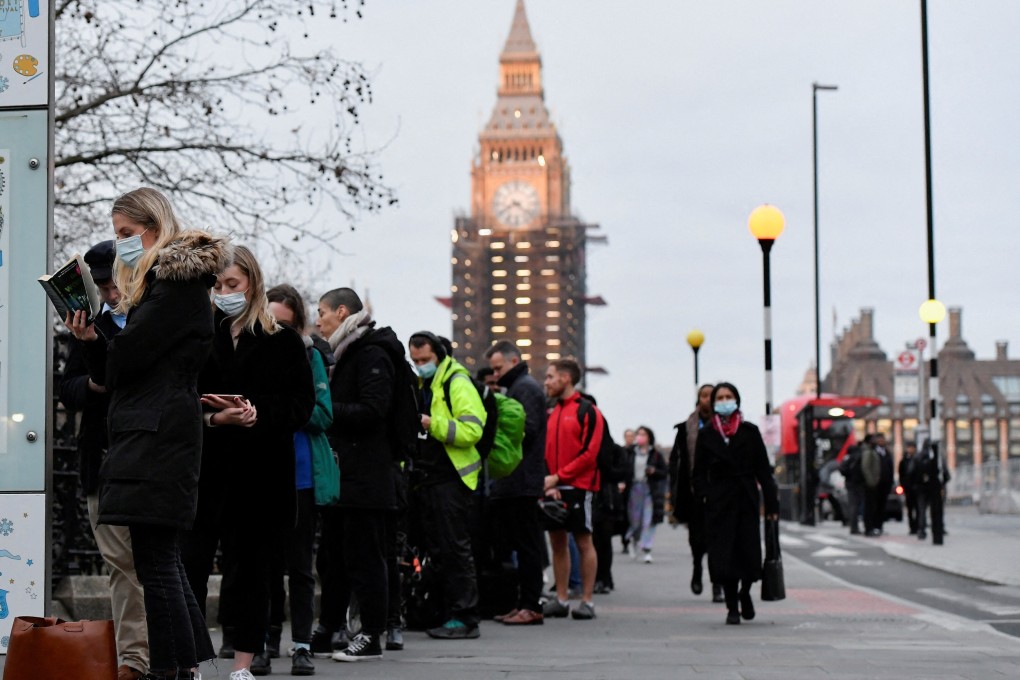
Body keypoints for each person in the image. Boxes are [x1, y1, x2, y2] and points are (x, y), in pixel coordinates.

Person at [68, 187, 229, 679]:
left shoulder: (173, 286)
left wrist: (98, 340)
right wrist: (97, 344)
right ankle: (184, 667)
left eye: (127, 234)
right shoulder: (173, 287)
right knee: (163, 562)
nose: (121, 245)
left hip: (155, 435)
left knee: (157, 566)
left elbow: (127, 360)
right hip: (156, 432)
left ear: (155, 230)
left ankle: (170, 670)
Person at [185, 246, 314, 680]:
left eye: (232, 285)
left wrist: (258, 412)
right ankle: (193, 661)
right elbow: (183, 397)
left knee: (255, 572)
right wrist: (214, 416)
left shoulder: (284, 340)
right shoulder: (200, 336)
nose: (223, 293)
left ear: (253, 284)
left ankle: (244, 663)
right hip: (207, 472)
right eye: (217, 285)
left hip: (262, 475)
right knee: (192, 568)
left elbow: (301, 405)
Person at [60, 240, 150, 680]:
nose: (110, 296)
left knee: (156, 564)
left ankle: (156, 653)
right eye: (102, 288)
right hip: (102, 456)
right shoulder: (87, 325)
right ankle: (133, 657)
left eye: (114, 286)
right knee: (119, 563)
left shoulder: (151, 320)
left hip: (148, 458)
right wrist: (94, 383)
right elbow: (70, 387)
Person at [244, 283, 335, 676]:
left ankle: (301, 644)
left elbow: (322, 413)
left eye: (285, 324)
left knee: (299, 566)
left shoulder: (309, 355)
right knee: (264, 566)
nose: (277, 331)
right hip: (262, 470)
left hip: (299, 473)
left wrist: (281, 411)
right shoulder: (250, 352)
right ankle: (264, 642)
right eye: (271, 322)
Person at [317, 287, 403, 661]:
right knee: (332, 557)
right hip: (345, 475)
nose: (317, 320)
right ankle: (328, 628)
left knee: (366, 558)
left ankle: (371, 634)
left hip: (367, 477)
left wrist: (323, 408)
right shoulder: (344, 352)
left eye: (321, 312)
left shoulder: (370, 353)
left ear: (340, 312)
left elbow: (373, 409)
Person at [408, 331, 486, 639]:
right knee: (440, 550)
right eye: (415, 361)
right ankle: (445, 613)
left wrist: (432, 424)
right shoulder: (428, 383)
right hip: (432, 478)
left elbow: (473, 429)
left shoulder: (457, 382)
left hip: (453, 479)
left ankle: (465, 618)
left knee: (455, 550)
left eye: (425, 360)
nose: (420, 365)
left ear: (439, 355)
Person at [692, 382, 779, 626]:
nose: (724, 400)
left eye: (729, 396)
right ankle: (732, 605)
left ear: (737, 399)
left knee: (748, 552)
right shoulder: (707, 433)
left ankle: (745, 592)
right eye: (720, 397)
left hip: (746, 499)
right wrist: (705, 497)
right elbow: (698, 472)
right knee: (724, 555)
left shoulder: (750, 432)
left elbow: (763, 470)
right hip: (719, 503)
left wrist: (772, 505)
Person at [485, 340, 548, 626]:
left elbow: (528, 431)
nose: (495, 374)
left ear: (513, 361)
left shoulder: (525, 388)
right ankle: (521, 603)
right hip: (515, 480)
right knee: (519, 544)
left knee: (527, 545)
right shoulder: (518, 386)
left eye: (498, 368)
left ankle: (531, 605)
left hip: (521, 479)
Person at [541, 358, 603, 621]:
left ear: (565, 378)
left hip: (579, 485)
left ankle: (587, 601)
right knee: (557, 542)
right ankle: (562, 598)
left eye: (550, 376)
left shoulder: (588, 411)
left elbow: (590, 454)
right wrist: (549, 481)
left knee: (583, 541)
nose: (546, 382)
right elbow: (544, 451)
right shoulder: (552, 411)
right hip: (554, 485)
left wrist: (558, 477)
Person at [671, 384, 724, 602]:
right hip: (693, 493)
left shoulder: (724, 427)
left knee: (717, 540)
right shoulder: (686, 428)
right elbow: (676, 462)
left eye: (711, 396)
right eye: (703, 395)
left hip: (718, 493)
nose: (707, 399)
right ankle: (696, 569)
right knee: (697, 539)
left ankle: (717, 585)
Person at [623, 426, 667, 564]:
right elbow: (622, 469)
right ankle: (634, 540)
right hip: (633, 489)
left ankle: (647, 548)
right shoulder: (630, 453)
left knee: (648, 520)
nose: (640, 437)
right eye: (639, 434)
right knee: (636, 520)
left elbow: (664, 472)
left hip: (649, 489)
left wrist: (654, 471)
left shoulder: (655, 454)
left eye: (644, 434)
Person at [914, 439, 949, 544]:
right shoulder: (937, 458)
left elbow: (914, 473)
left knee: (922, 510)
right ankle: (938, 528)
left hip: (923, 489)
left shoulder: (919, 457)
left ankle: (922, 530)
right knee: (937, 509)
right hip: (932, 488)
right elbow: (945, 473)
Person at [861, 432, 894, 536]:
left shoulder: (887, 452)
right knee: (871, 507)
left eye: (882, 439)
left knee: (881, 507)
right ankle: (870, 527)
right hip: (874, 485)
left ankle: (879, 526)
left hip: (885, 484)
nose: (881, 441)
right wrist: (872, 481)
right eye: (879, 440)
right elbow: (866, 467)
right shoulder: (871, 451)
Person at [838, 438, 867, 535]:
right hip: (858, 484)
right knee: (856, 506)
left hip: (850, 483)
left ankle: (853, 527)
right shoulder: (859, 456)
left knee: (853, 505)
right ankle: (855, 527)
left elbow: (841, 469)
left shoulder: (848, 458)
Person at [899, 441, 919, 535]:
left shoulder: (918, 459)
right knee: (910, 509)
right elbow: (901, 474)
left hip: (917, 488)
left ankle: (918, 526)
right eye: (909, 447)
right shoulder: (904, 461)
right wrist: (904, 485)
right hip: (908, 488)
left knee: (918, 508)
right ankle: (912, 527)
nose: (910, 449)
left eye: (912, 447)